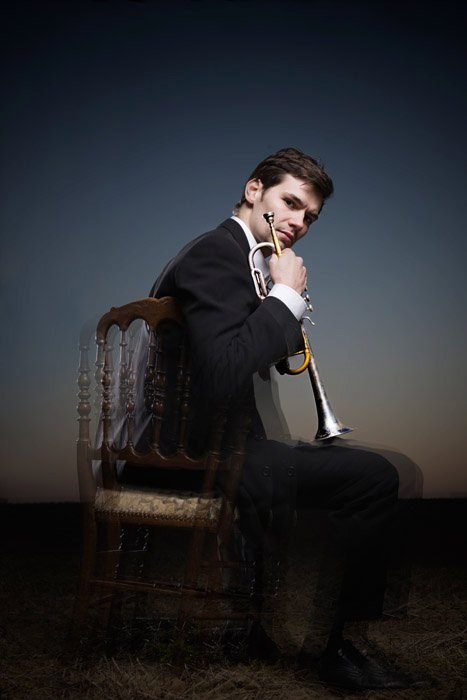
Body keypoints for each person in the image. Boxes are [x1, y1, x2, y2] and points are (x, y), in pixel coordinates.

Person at [122, 147, 416, 690]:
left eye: (311, 216)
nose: (300, 222)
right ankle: (335, 649)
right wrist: (284, 298)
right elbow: (222, 375)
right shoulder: (219, 254)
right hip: (192, 454)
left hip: (210, 446)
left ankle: (269, 630)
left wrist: (276, 315)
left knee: (326, 465)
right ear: (254, 189)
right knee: (376, 478)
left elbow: (237, 354)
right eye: (291, 202)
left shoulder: (244, 257)